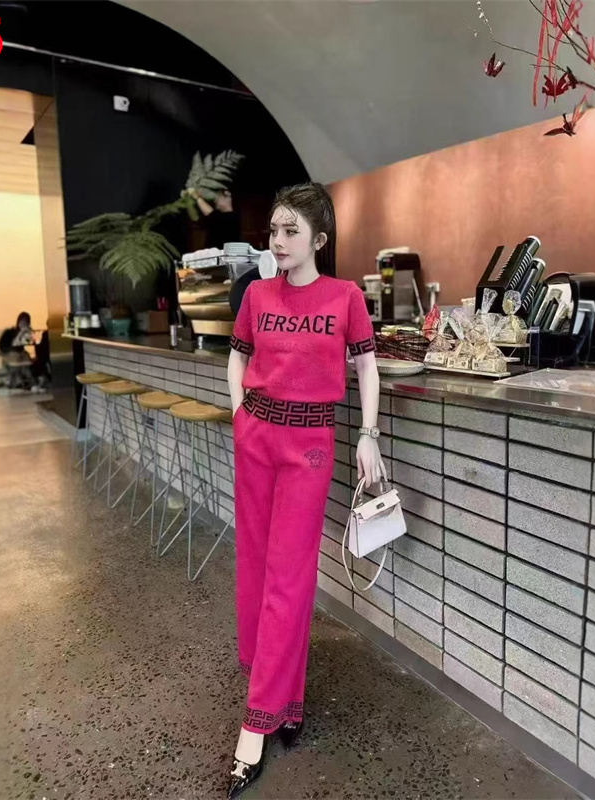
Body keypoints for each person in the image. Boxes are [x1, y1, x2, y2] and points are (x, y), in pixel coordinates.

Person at [225, 183, 386, 798]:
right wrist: (240, 414)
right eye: (273, 230)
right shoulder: (256, 295)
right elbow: (237, 356)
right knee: (255, 571)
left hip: (310, 446)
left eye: (291, 231)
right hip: (256, 439)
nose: (278, 240)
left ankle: (256, 722)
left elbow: (366, 365)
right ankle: (286, 701)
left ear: (319, 238)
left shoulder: (345, 297)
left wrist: (367, 434)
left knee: (289, 578)